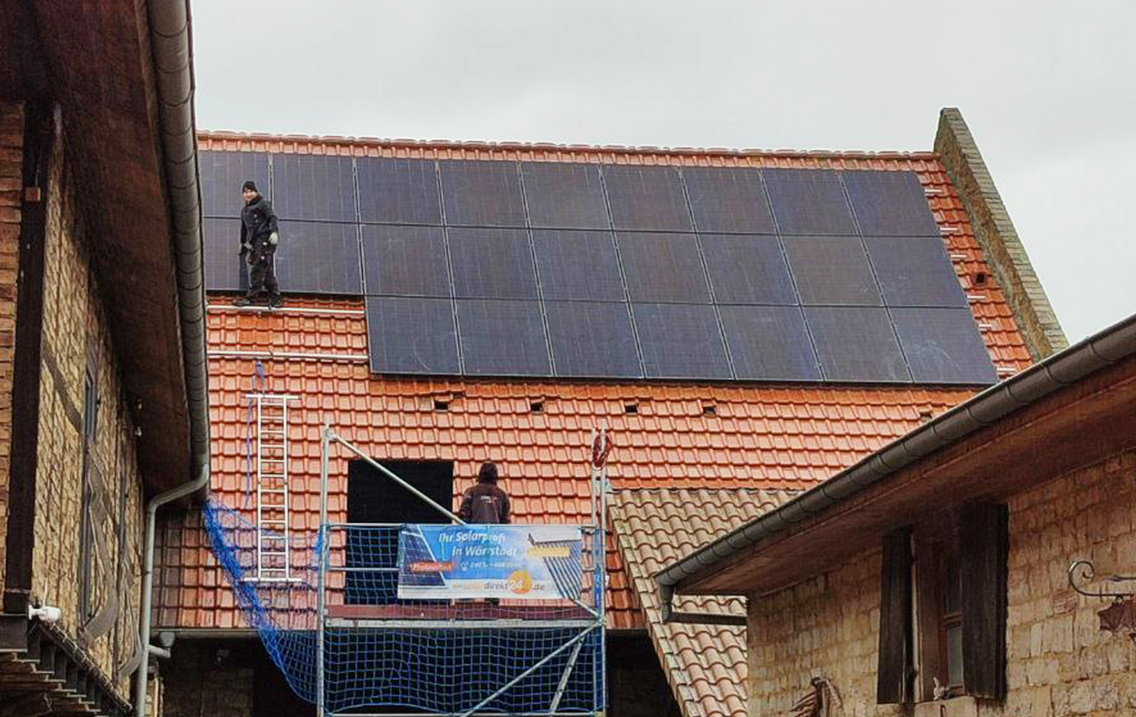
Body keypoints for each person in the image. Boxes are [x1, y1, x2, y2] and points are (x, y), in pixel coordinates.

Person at [233, 180, 283, 308]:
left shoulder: (263, 204)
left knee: (258, 267)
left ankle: (251, 298)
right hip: (254, 242)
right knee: (266, 270)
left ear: (256, 192)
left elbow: (272, 217)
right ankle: (276, 298)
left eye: (250, 191)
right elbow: (244, 229)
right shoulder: (245, 210)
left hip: (265, 238)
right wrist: (243, 244)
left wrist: (274, 232)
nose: (248, 194)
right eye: (245, 192)